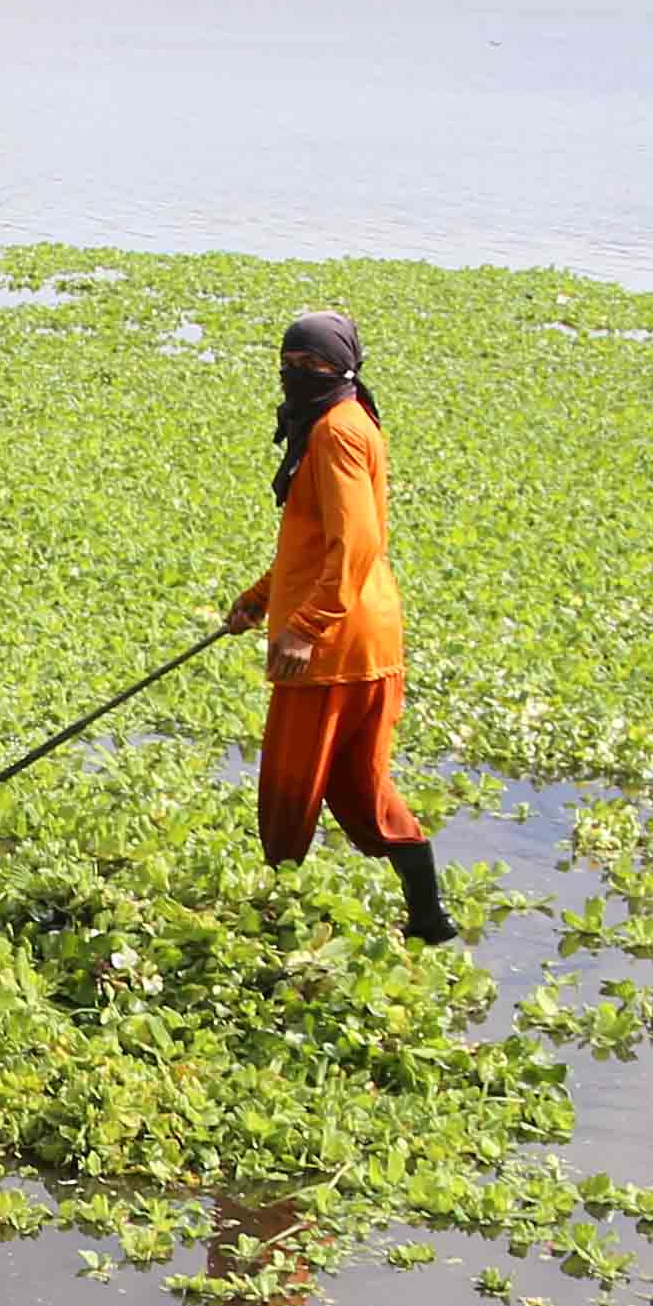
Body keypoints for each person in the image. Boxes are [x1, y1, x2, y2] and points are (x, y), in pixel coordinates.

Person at [214, 311, 456, 949]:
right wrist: (261, 600)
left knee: (288, 793)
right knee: (357, 785)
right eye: (290, 363)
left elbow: (358, 542)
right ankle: (429, 917)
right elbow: (313, 544)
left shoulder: (338, 432)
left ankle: (278, 927)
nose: (298, 374)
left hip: (334, 648)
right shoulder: (330, 422)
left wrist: (304, 628)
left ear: (343, 368)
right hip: (361, 640)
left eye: (313, 365)